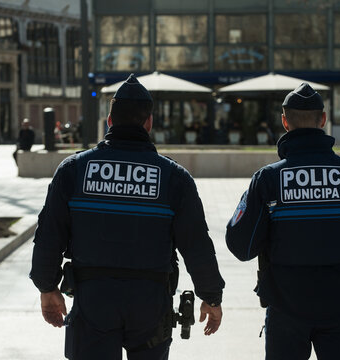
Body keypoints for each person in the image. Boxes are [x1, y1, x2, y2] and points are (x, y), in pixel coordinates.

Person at [30, 74, 225, 360]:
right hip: (150, 303)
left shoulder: (74, 170)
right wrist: (211, 296)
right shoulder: (173, 177)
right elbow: (196, 244)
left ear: (109, 121)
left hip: (93, 299)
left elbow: (49, 235)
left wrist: (47, 287)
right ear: (149, 123)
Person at [225, 83, 340, 360]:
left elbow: (241, 246)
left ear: (285, 122)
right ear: (323, 120)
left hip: (285, 308)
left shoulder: (268, 179)